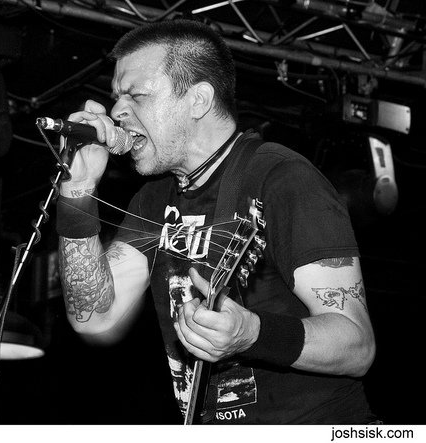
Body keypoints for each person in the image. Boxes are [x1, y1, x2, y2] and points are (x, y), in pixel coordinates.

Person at [54, 19, 376, 424]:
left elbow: (357, 345)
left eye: (136, 95)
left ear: (199, 100)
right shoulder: (153, 199)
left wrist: (252, 333)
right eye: (117, 97)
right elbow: (93, 316)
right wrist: (78, 191)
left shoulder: (281, 178)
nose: (117, 110)